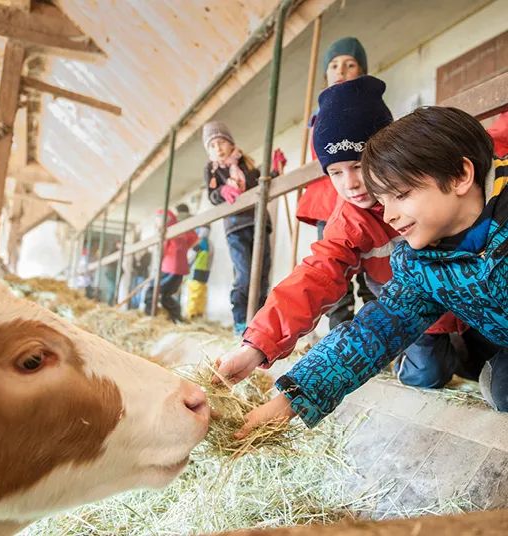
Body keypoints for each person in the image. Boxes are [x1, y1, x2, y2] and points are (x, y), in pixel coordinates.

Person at [232, 106, 507, 435]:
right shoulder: (420, 265)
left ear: (461, 176)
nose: (388, 215)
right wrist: (288, 401)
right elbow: (373, 331)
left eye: (401, 194)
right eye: (383, 199)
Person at [215, 76, 466, 403]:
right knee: (427, 374)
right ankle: (427, 353)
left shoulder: (432, 188)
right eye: (335, 172)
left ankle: (465, 344)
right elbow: (317, 275)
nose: (350, 184)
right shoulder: (350, 218)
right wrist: (256, 346)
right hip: (412, 315)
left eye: (358, 165)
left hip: (472, 305)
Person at [296, 36, 375, 329]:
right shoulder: (319, 115)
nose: (341, 70)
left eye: (350, 64)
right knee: (333, 271)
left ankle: (374, 330)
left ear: (362, 71)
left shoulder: (371, 107)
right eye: (334, 65)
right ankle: (339, 334)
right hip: (328, 202)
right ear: (326, 74)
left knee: (373, 268)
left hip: (365, 199)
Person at [203, 120, 272, 335]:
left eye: (221, 142)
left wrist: (275, 170)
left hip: (259, 222)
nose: (218, 148)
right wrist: (222, 191)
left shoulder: (247, 164)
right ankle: (241, 321)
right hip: (235, 227)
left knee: (261, 274)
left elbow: (260, 183)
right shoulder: (212, 170)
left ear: (231, 143)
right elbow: (212, 196)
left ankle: (258, 323)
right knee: (244, 274)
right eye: (212, 146)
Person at [144, 209, 198, 322]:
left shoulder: (168, 231)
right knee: (166, 296)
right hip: (180, 270)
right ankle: (175, 318)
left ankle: (150, 317)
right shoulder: (182, 230)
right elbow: (194, 239)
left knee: (151, 290)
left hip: (169, 268)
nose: (157, 223)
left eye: (158, 220)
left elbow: (162, 252)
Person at [186, 225, 213, 320]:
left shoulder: (198, 243)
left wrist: (186, 267)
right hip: (205, 273)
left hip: (196, 272)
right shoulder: (210, 243)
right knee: (201, 293)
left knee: (194, 294)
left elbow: (190, 258)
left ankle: (192, 315)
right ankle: (199, 314)